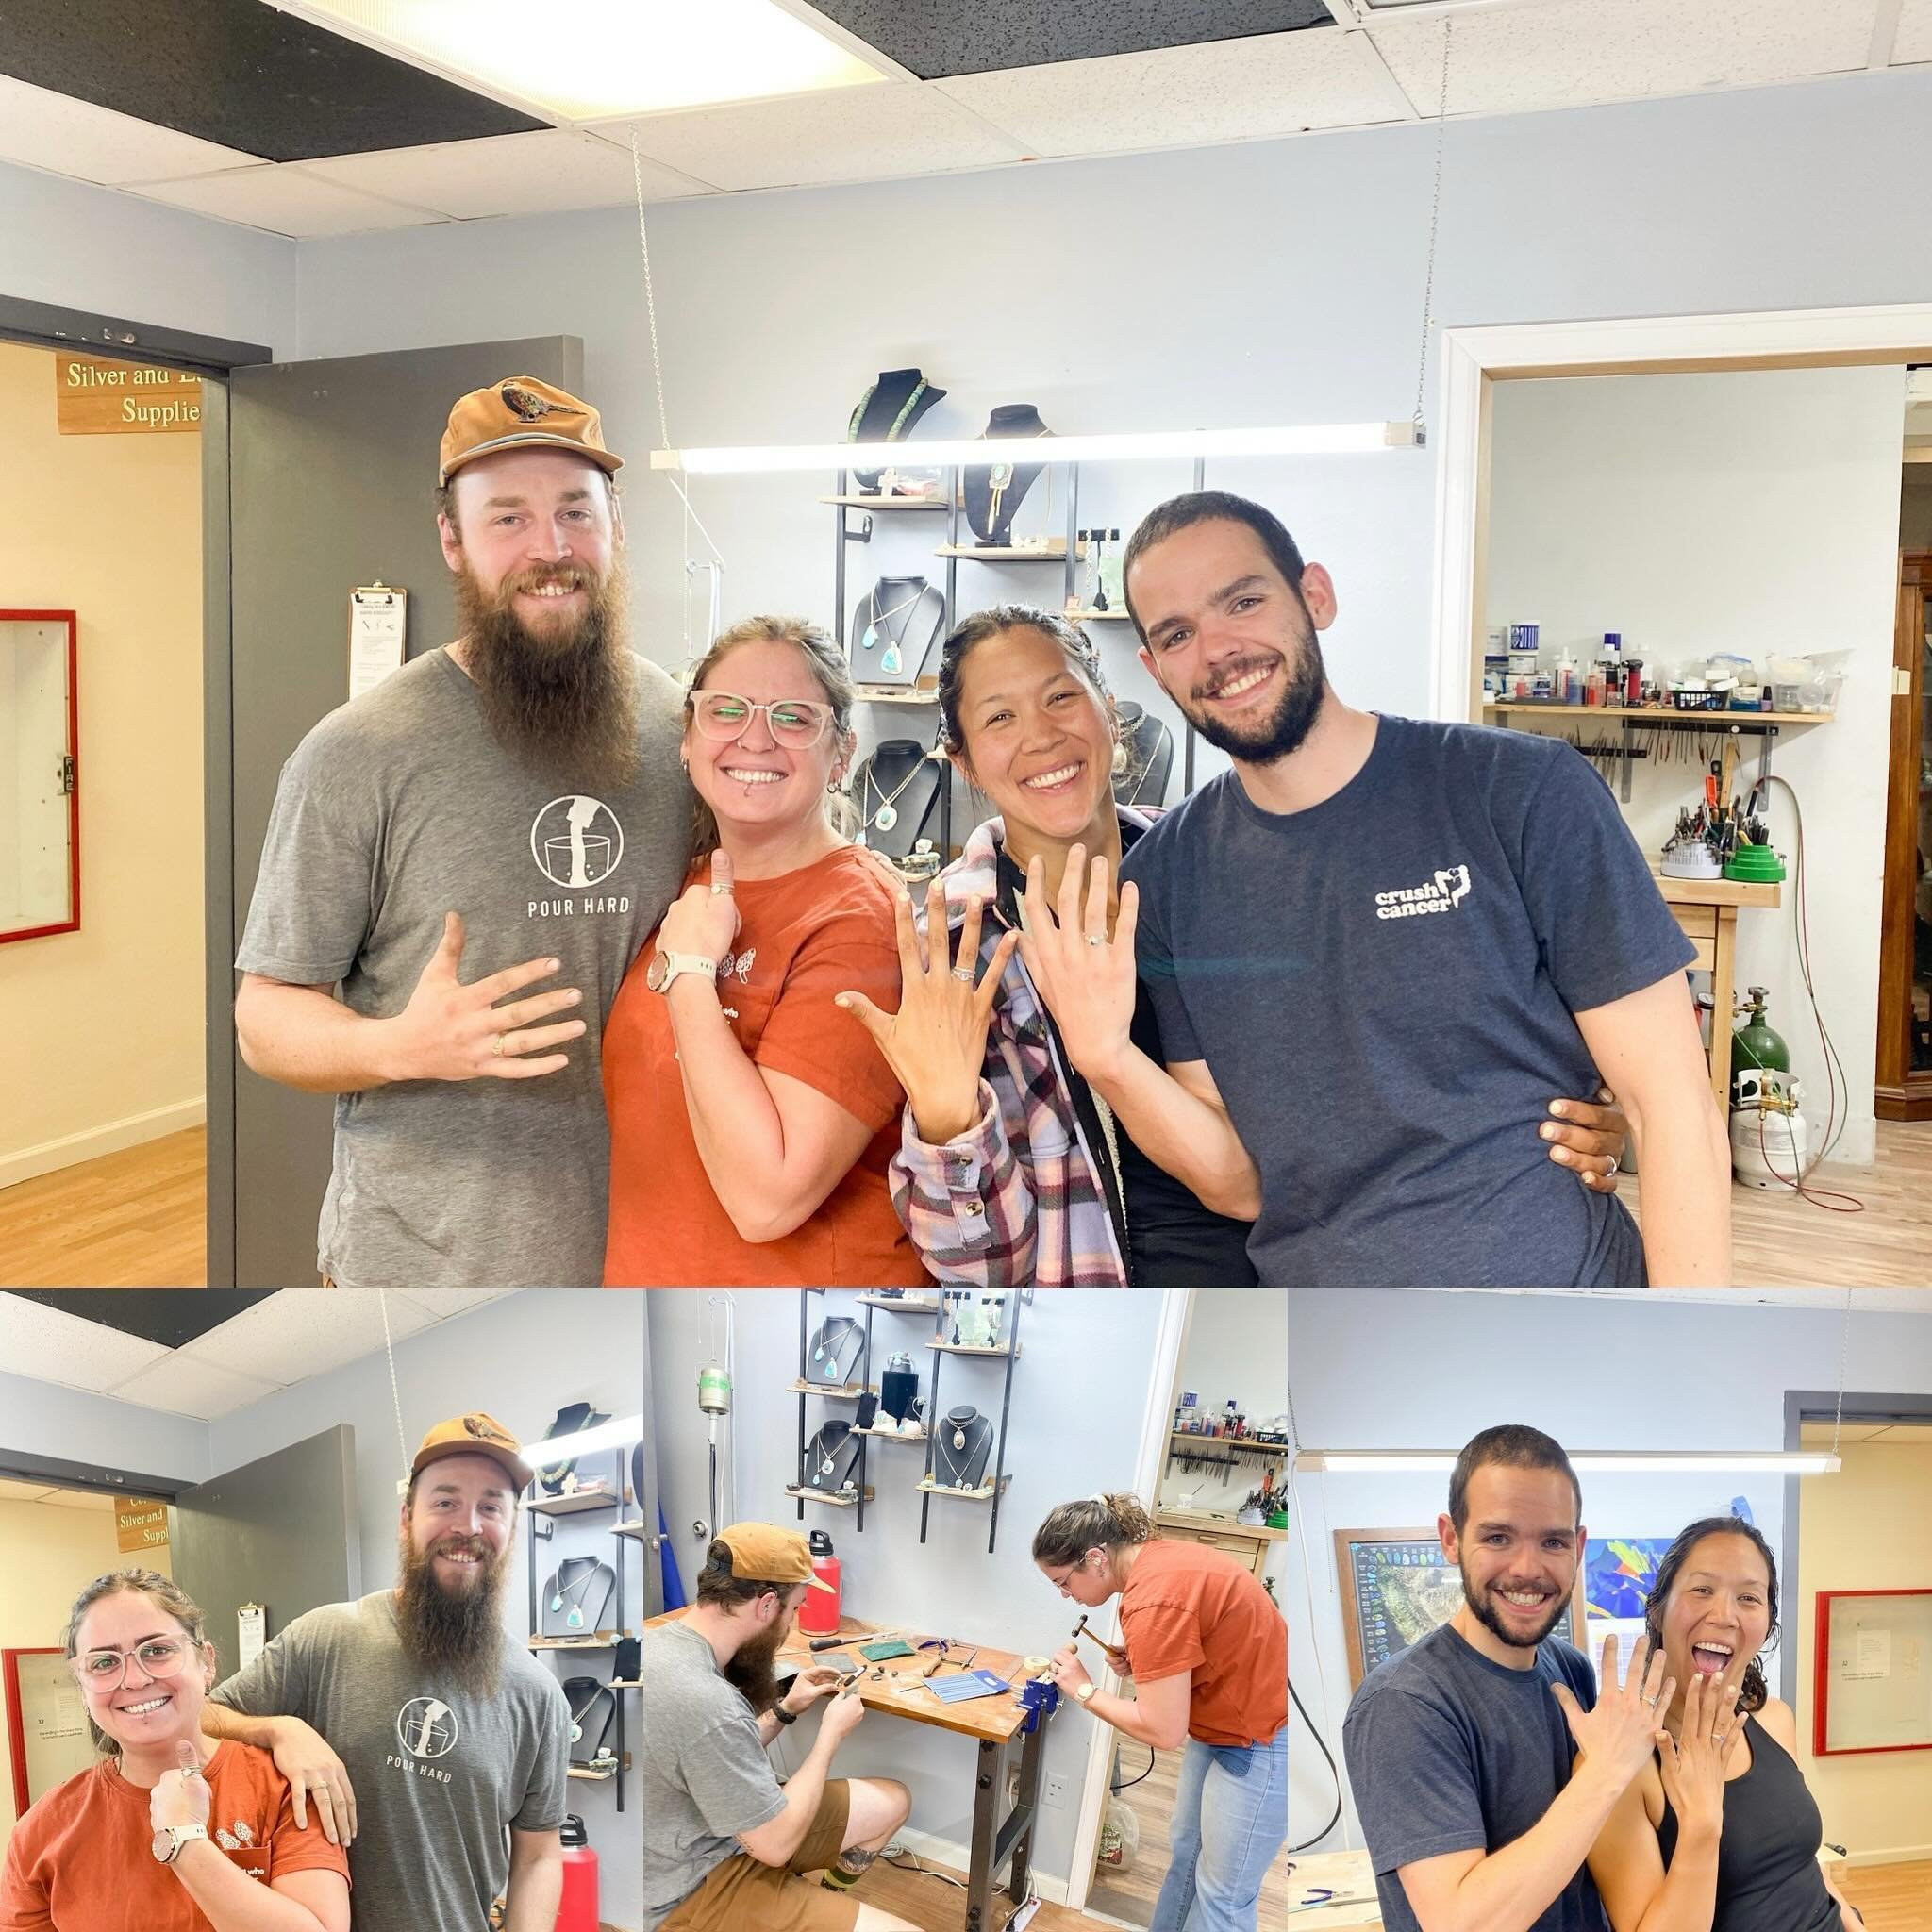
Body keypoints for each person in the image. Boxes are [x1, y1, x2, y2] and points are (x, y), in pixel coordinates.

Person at [840, 604, 1634, 1286]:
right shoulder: (958, 953)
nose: (1042, 737)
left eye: (1060, 698)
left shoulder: (1220, 878)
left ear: (1109, 711)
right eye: (999, 718)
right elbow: (978, 1273)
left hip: (1312, 1270)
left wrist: (1563, 1115)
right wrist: (947, 1124)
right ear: (964, 761)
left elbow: (1381, 1068)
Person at [1092, 490, 1731, 1286]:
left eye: (1243, 601)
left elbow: (1674, 1111)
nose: (1218, 650)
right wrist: (1104, 1054)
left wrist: (1681, 1352)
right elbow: (1242, 1180)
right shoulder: (1161, 885)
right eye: (1178, 634)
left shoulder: (1520, 792)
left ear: (1314, 595)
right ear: (1153, 670)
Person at [233, 375, 690, 1290]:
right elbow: (263, 1016)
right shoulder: (356, 751)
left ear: (616, 524)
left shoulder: (678, 728)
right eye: (508, 518)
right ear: (451, 538)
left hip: (641, 1247)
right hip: (420, 1266)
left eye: (574, 511)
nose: (550, 549)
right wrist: (399, 1045)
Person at [601, 616, 919, 1285]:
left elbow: (766, 1201)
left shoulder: (860, 917)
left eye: (794, 718)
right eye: (727, 711)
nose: (754, 736)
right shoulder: (680, 881)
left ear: (840, 754)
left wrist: (691, 975)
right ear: (687, 740)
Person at [197, 1413, 570, 1931]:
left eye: (491, 1506)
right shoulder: (326, 1638)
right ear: (405, 1519)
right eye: (445, 1502)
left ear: (512, 1527)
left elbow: (538, 1855)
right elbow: (198, 1717)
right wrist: (280, 1727)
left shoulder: (538, 1695)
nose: (468, 1526)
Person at [1343, 1424, 1676, 1932]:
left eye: (1553, 1541)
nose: (1529, 1568)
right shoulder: (1403, 1704)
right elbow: (1462, 1923)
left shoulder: (1570, 1671)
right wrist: (1607, 1771)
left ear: (1579, 1547)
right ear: (1451, 1539)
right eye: (1498, 1537)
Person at [0, 1569, 350, 1932]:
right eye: (104, 1662)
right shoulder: (42, 1831)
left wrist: (185, 1841)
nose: (134, 1679)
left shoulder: (285, 1790)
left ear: (207, 1662)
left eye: (157, 1650)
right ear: (82, 1689)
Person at [1585, 1516, 1864, 1932]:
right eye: (1702, 1590)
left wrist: (1851, 1919)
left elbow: (1803, 1861)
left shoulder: (1774, 1720)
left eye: (1749, 1598)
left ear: (1766, 1623)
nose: (1725, 1615)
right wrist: (1700, 1828)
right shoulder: (1623, 1766)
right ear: (1658, 1611)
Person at [640, 1524, 921, 1932]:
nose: (792, 1622)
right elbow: (775, 1846)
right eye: (795, 1609)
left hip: (716, 1832)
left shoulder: (660, 1644)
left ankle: (818, 1904)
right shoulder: (708, 1700)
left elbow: (717, 1755)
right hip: (689, 1891)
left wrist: (787, 1708)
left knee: (891, 1800)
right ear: (767, 1604)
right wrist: (830, 1736)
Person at [1033, 1491, 1286, 1932]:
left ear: (1095, 1558)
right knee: (1187, 1855)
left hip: (1262, 1736)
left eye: (1063, 1582)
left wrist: (1083, 1689)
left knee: (1224, 1897)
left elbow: (1163, 1731)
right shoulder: (1158, 1562)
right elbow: (1202, 1632)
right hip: (1222, 1725)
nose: (1064, 1595)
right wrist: (1151, 1659)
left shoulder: (1152, 1599)